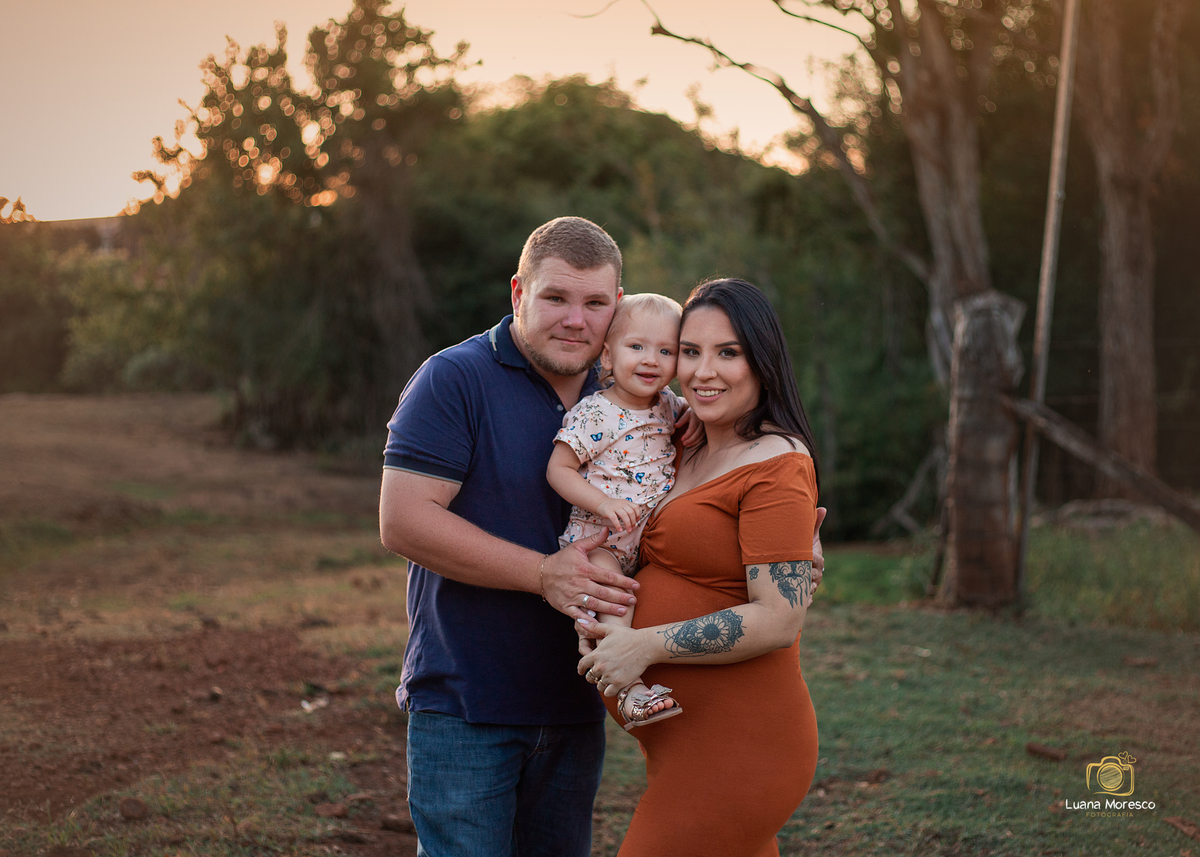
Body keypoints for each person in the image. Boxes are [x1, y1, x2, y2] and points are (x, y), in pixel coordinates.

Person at [379, 216, 645, 857]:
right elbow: (403, 519)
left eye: (595, 303)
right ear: (519, 292)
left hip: (576, 700)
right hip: (467, 702)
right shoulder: (454, 377)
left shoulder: (630, 392)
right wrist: (543, 574)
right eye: (555, 297)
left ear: (617, 305)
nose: (576, 321)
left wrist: (786, 538)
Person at [577, 277, 826, 857]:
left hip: (741, 748)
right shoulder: (683, 442)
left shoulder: (777, 462)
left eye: (728, 353)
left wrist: (643, 645)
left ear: (762, 361)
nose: (703, 372)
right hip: (681, 743)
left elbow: (779, 619)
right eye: (690, 351)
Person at [546, 293, 686, 730]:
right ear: (607, 356)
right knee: (615, 597)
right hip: (600, 542)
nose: (651, 360)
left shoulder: (671, 406)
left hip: (647, 546)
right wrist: (603, 503)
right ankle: (630, 691)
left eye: (666, 351)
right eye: (636, 346)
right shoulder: (596, 412)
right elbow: (558, 469)